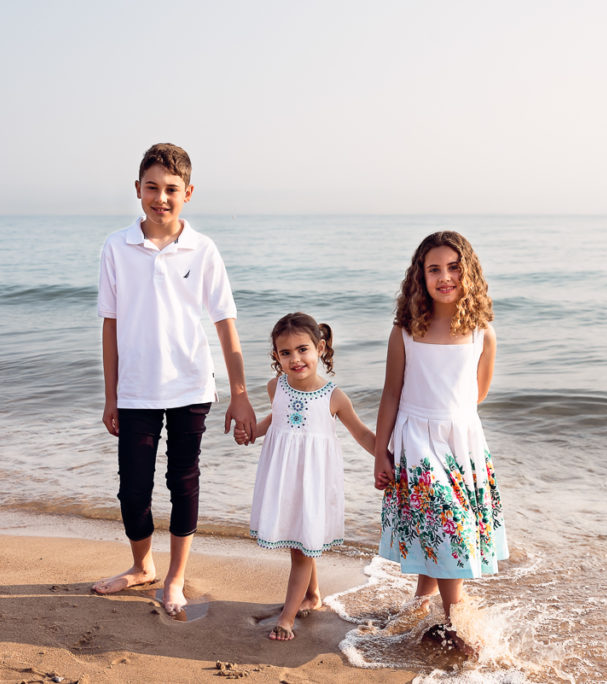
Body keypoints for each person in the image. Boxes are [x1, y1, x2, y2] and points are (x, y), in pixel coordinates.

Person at [93, 143, 257, 615]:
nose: (160, 198)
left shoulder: (203, 249)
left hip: (190, 387)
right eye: (152, 188)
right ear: (137, 190)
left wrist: (240, 395)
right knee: (133, 488)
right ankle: (142, 566)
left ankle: (176, 578)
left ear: (188, 192)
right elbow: (111, 324)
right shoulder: (116, 246)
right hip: (136, 390)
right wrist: (111, 396)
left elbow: (225, 323)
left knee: (183, 481)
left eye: (171, 189)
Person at [373, 230, 507, 647]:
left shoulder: (481, 332)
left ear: (468, 273)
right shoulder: (407, 331)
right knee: (447, 526)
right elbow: (392, 392)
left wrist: (454, 423)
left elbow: (476, 394)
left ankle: (421, 603)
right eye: (434, 269)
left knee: (440, 527)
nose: (445, 277)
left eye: (453, 267)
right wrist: (382, 451)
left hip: (462, 442)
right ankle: (455, 621)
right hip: (416, 439)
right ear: (420, 277)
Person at [236, 313, 376, 641]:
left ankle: (287, 617)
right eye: (285, 353)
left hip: (313, 481)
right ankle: (312, 595)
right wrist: (253, 432)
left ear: (320, 348)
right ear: (276, 357)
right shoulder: (276, 386)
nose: (295, 359)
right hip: (284, 478)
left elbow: (362, 434)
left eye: (303, 350)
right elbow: (276, 417)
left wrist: (387, 459)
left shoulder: (334, 397)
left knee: (302, 549)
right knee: (299, 540)